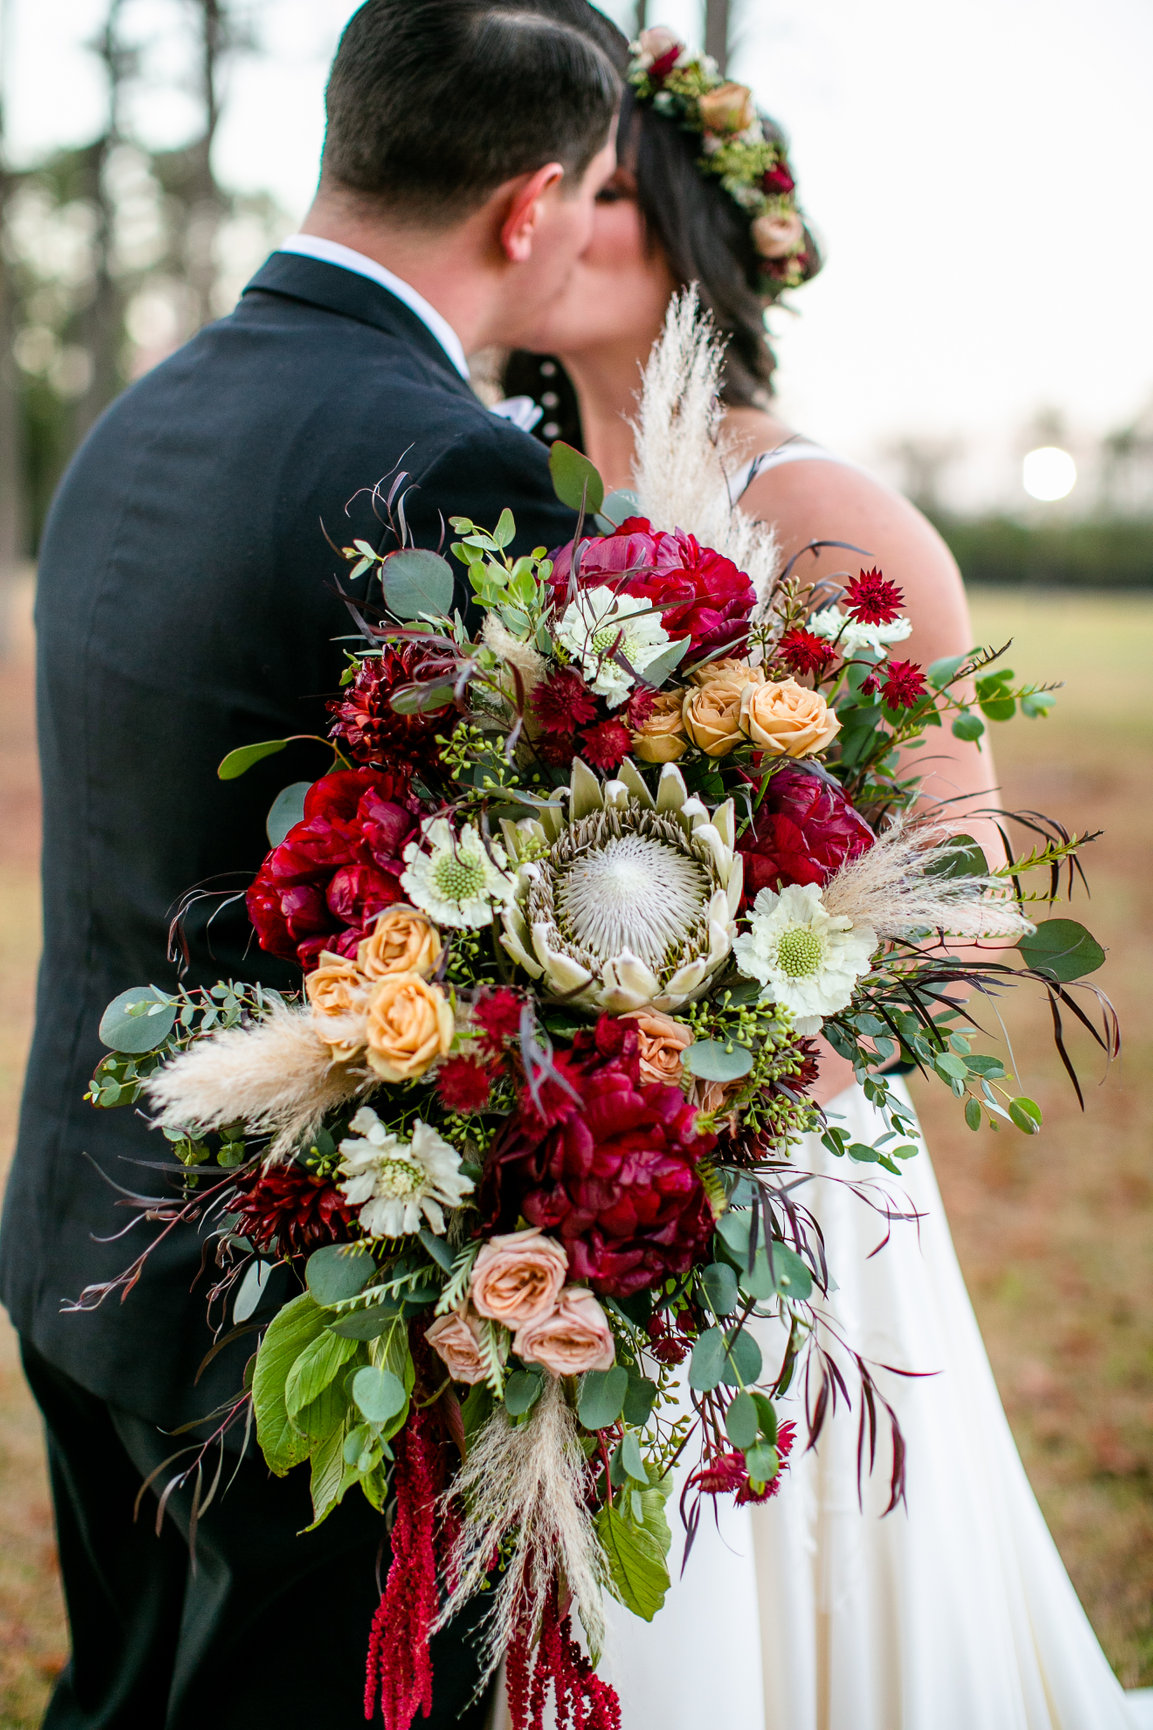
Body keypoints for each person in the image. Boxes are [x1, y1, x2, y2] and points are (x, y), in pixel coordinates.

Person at [499, 27, 1140, 1730]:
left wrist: (707, 1106)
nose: (567, 221)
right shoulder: (517, 505)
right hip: (557, 1155)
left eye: (618, 194)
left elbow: (965, 892)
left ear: (704, 236)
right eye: (562, 187)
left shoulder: (821, 507)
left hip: (765, 1163)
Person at [0, 4, 626, 1726]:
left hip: (76, 1231)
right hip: (288, 1320)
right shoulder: (461, 466)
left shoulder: (141, 415)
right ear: (532, 205)